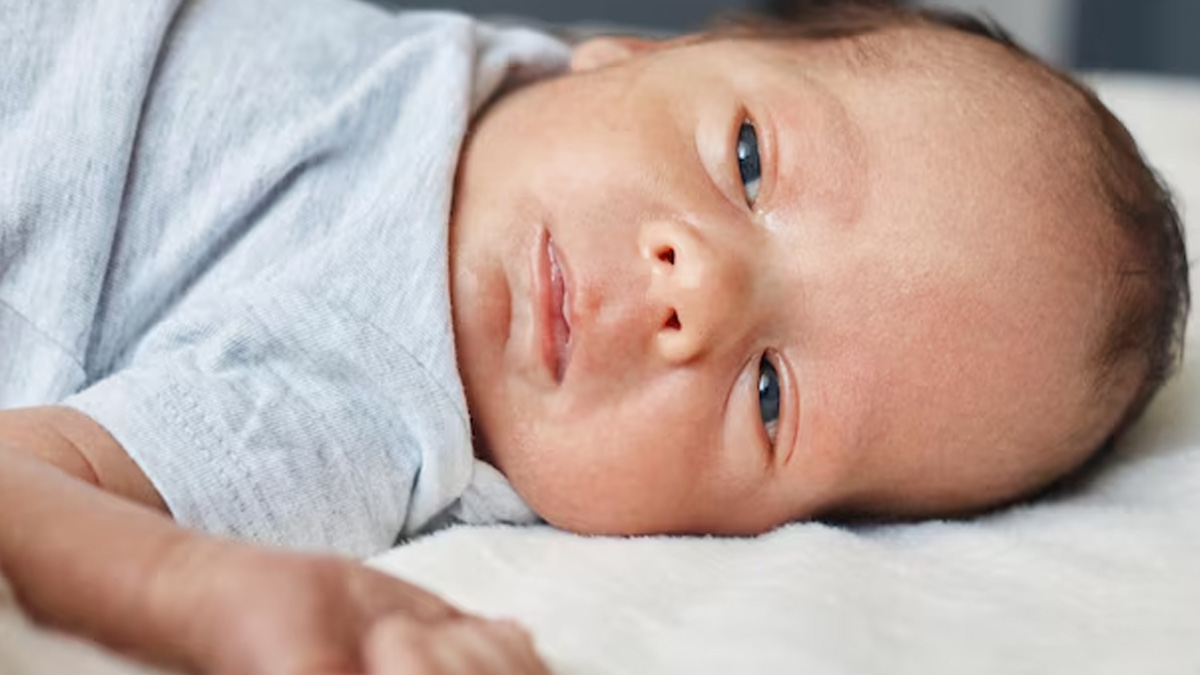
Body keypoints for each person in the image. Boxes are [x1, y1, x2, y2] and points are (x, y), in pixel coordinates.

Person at [0, 0, 1189, 673]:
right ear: (645, 49)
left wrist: (196, 592)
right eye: (748, 160)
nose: (698, 292)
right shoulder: (481, 72)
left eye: (771, 397)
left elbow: (28, 484)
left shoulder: (366, 388)